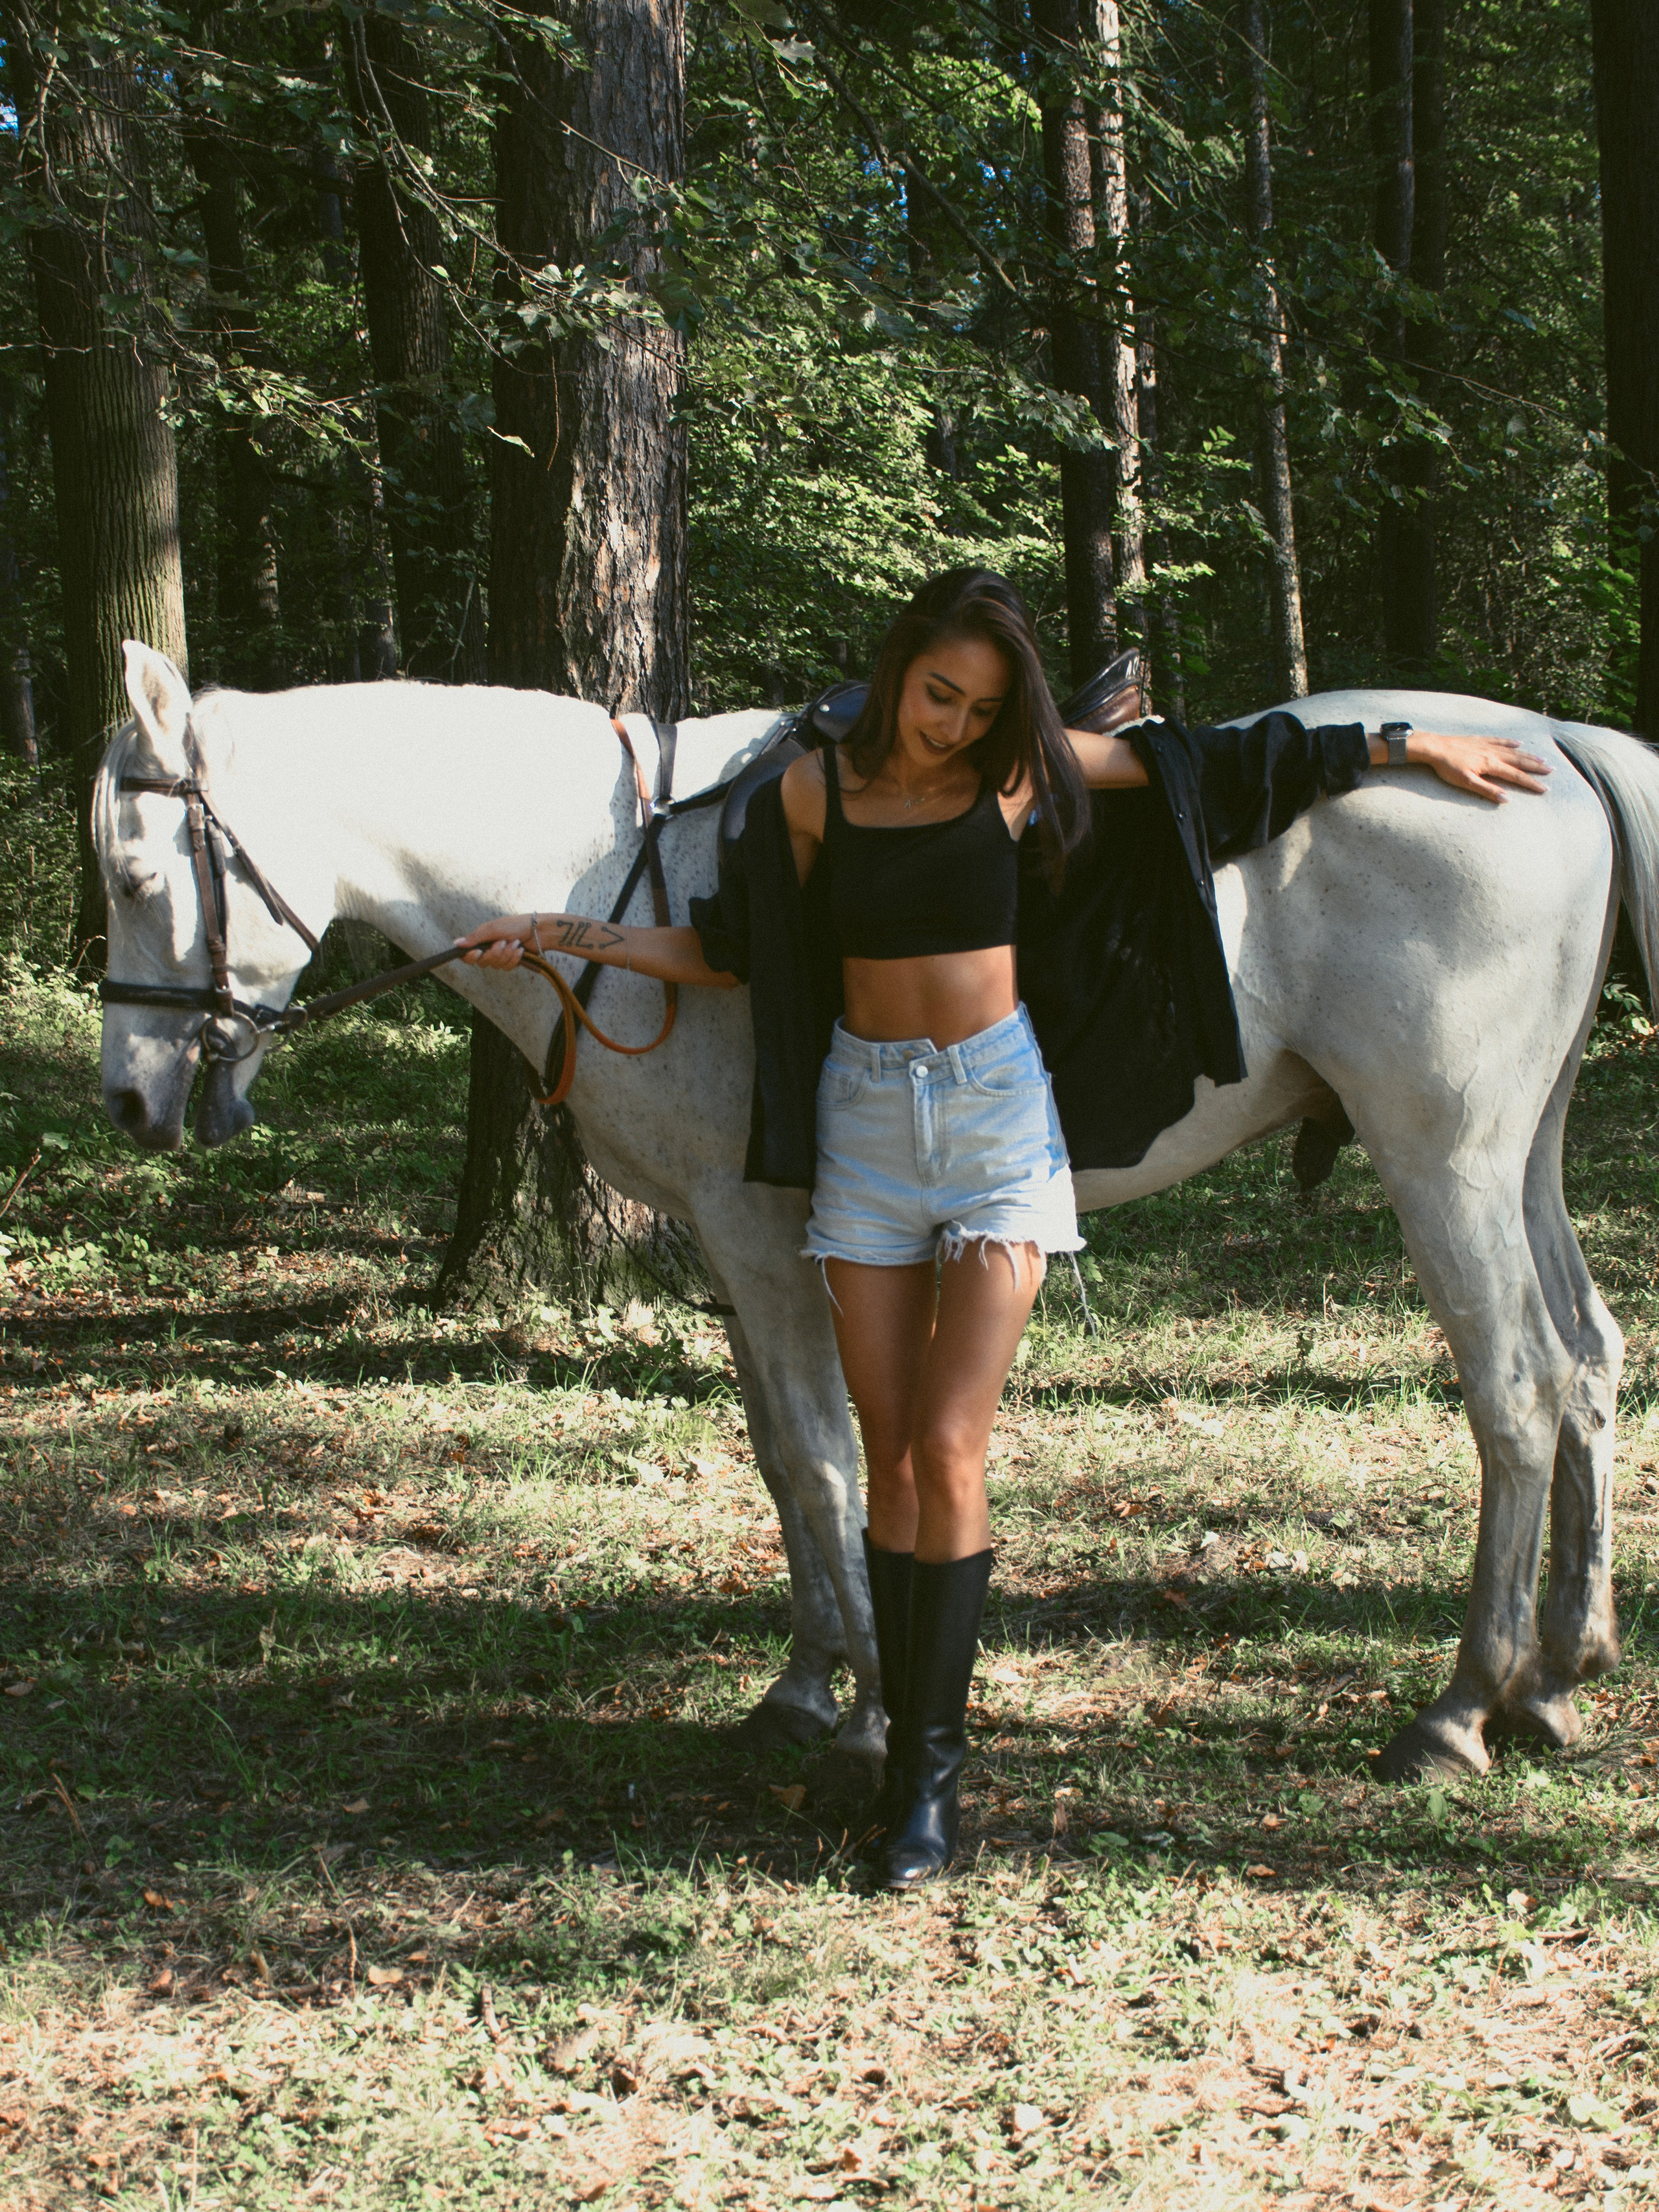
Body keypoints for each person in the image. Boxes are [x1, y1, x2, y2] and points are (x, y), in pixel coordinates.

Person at [456, 568, 1548, 1891]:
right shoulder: (807, 793)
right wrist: (561, 935)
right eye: (934, 695)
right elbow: (733, 948)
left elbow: (1211, 763)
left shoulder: (1017, 774)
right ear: (897, 666)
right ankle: (896, 1734)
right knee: (891, 1454)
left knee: (948, 1445)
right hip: (861, 1128)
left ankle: (928, 1788)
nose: (949, 725)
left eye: (976, 707)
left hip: (993, 1123)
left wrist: (1397, 742)